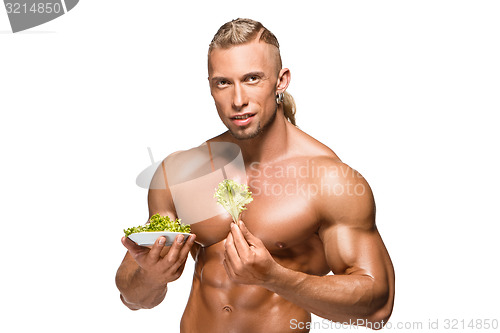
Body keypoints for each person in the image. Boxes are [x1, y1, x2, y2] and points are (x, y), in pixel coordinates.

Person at [115, 18, 395, 332]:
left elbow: (377, 310)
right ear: (210, 85)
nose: (238, 100)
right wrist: (151, 277)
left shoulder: (328, 180)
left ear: (281, 80)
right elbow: (133, 297)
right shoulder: (180, 172)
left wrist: (275, 278)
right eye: (223, 82)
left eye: (252, 79)